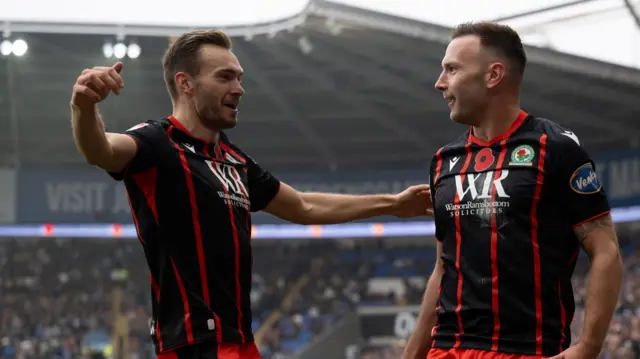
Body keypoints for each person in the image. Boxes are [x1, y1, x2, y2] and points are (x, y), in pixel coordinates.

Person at [70, 30, 431, 359]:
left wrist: (395, 204)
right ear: (186, 84)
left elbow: (304, 205)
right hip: (194, 346)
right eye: (225, 76)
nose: (239, 87)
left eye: (239, 77)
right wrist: (84, 106)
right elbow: (99, 150)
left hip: (241, 343)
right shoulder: (156, 142)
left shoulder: (236, 160)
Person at [402, 22, 623, 359]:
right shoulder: (443, 162)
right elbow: (443, 267)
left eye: (452, 69)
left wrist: (588, 348)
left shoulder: (556, 149)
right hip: (448, 349)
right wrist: (412, 354)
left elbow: (605, 249)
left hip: (527, 350)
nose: (439, 82)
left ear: (493, 75)